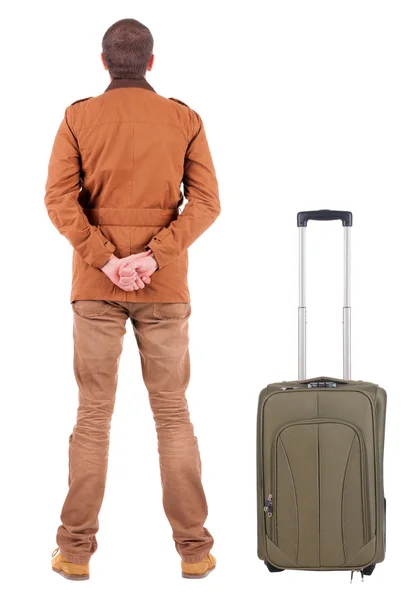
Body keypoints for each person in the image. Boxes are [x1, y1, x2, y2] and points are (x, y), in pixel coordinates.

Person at [45, 17, 220, 581]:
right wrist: (153, 257)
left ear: (103, 62)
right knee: (173, 414)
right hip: (164, 287)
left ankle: (74, 554)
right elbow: (206, 204)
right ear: (150, 62)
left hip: (96, 286)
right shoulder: (184, 119)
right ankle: (194, 553)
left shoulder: (78, 118)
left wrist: (106, 259)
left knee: (93, 415)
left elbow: (58, 200)